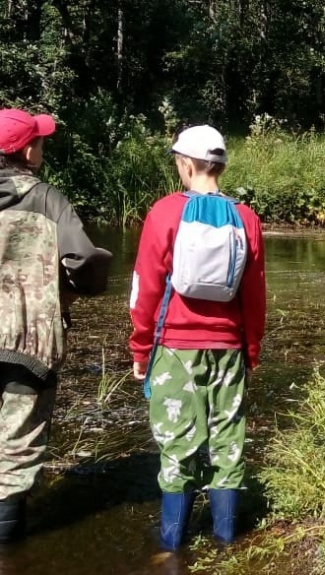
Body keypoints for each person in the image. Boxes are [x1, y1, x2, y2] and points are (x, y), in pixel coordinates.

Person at [129, 125, 266, 550]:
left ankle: (173, 547)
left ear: (185, 164)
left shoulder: (164, 212)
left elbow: (146, 288)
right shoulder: (246, 217)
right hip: (229, 348)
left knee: (177, 444)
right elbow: (255, 294)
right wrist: (252, 350)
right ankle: (226, 542)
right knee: (228, 442)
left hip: (174, 349)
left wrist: (140, 347)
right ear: (220, 166)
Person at [0, 108, 112, 543]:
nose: (42, 147)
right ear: (27, 150)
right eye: (41, 141)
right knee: (15, 446)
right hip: (28, 339)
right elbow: (82, 257)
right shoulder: (48, 198)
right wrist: (86, 283)